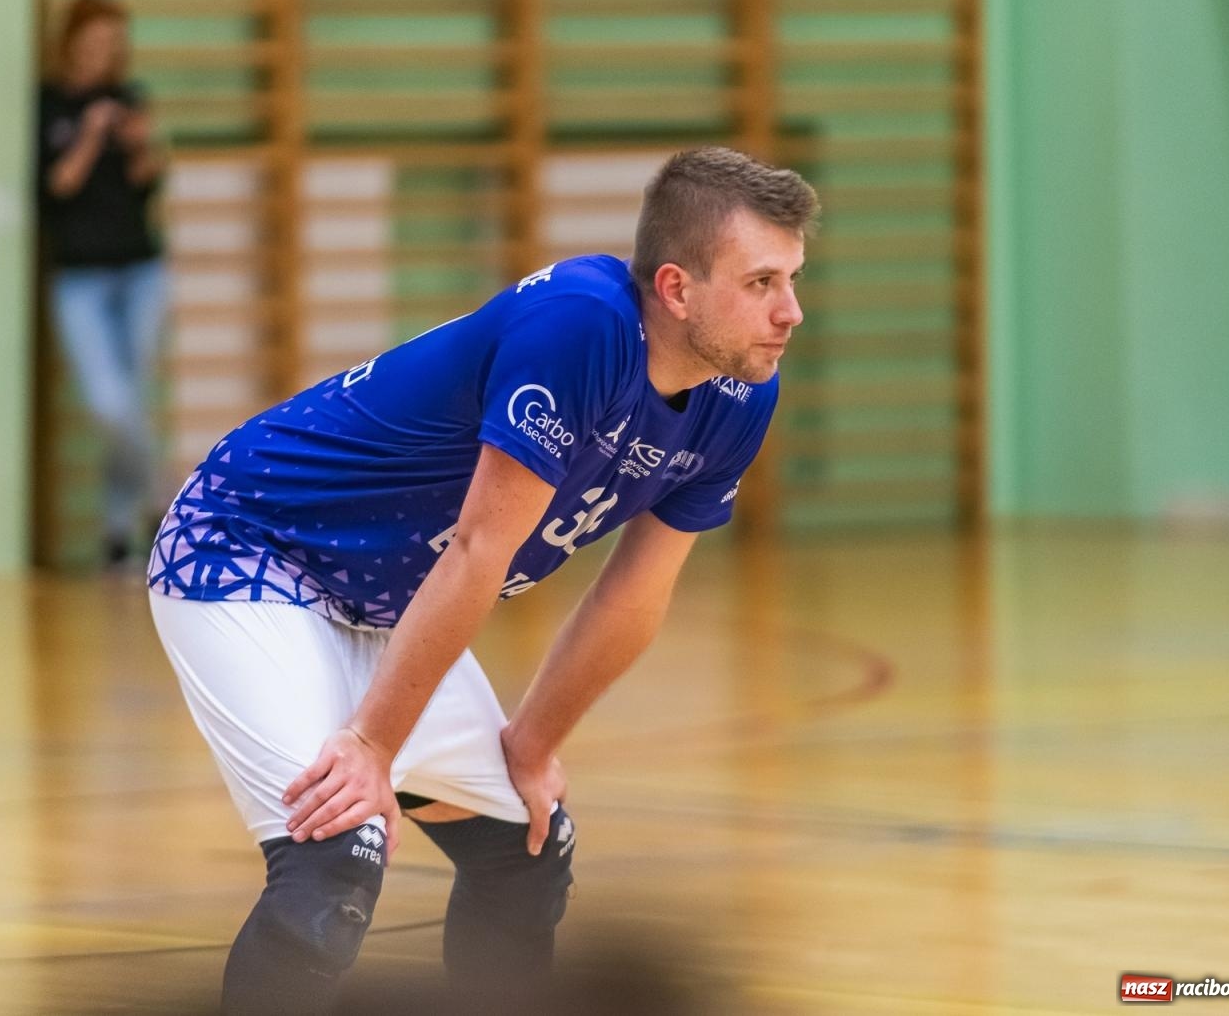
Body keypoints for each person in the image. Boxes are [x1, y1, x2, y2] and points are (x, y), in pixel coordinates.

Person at [147, 146, 817, 1014]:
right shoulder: (582, 328)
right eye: (762, 281)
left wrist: (533, 742)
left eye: (794, 278)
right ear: (677, 289)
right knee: (336, 849)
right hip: (248, 548)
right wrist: (372, 747)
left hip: (382, 601)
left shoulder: (738, 396)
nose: (791, 312)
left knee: (527, 847)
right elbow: (476, 551)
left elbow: (635, 593)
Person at [37, 0, 167, 567]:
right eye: (93, 41)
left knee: (133, 401)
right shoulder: (50, 106)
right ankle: (167, 498)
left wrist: (141, 147)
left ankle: (118, 534)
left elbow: (147, 184)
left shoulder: (131, 99)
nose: (102, 52)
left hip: (140, 270)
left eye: (113, 43)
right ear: (71, 43)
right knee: (109, 405)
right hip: (80, 278)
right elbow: (58, 186)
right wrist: (90, 133)